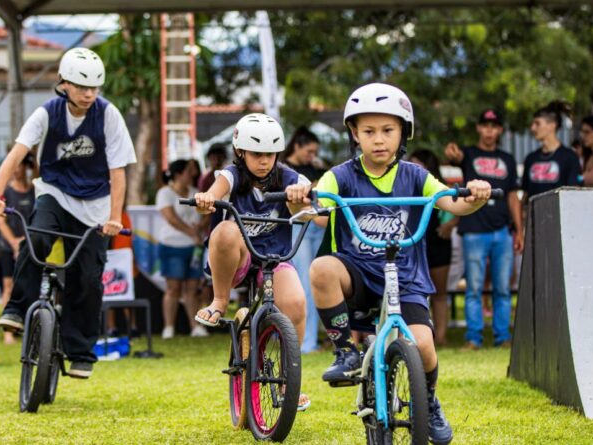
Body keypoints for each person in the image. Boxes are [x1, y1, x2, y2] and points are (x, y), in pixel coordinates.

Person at [286, 83, 493, 445]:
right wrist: (297, 200)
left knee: (424, 346)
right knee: (321, 269)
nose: (378, 140)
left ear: (403, 133)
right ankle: (346, 352)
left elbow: (453, 204)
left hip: (406, 279)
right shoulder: (341, 176)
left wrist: (475, 196)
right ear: (354, 133)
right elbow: (316, 215)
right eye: (368, 131)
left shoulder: (416, 176)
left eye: (388, 131)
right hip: (358, 275)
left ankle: (427, 402)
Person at [0, 47, 136, 379]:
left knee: (88, 279)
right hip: (55, 193)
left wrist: (114, 217)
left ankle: (81, 352)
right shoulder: (47, 113)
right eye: (82, 87)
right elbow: (16, 154)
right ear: (64, 83)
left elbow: (119, 172)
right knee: (36, 237)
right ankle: (16, 307)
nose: (88, 94)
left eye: (94, 87)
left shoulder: (108, 115)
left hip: (96, 206)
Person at [193, 113, 312, 410]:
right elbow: (215, 192)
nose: (264, 161)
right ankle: (220, 301)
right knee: (224, 230)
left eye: (270, 154)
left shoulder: (290, 178)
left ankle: (288, 382)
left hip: (273, 259)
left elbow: (307, 210)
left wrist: (299, 197)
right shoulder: (231, 175)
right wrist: (206, 199)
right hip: (238, 259)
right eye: (257, 154)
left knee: (296, 304)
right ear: (241, 152)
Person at [444, 109, 523, 350]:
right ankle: (473, 338)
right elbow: (454, 158)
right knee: (474, 288)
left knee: (503, 288)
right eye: (485, 125)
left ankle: (503, 337)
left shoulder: (507, 159)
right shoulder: (468, 154)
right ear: (479, 128)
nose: (489, 130)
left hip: (502, 231)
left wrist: (519, 229)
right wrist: (452, 154)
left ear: (499, 130)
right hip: (474, 229)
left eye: (494, 126)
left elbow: (512, 196)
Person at [282, 126, 326, 353]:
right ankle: (305, 342)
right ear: (297, 146)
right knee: (303, 284)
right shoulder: (284, 170)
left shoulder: (314, 168)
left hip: (318, 224)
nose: (312, 156)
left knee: (318, 281)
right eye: (309, 151)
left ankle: (311, 338)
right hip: (298, 225)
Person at [156, 159, 208, 339]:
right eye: (189, 171)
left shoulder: (195, 193)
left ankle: (195, 327)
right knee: (173, 288)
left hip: (194, 248)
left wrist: (200, 226)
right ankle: (168, 327)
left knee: (192, 288)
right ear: (178, 174)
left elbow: (206, 214)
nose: (193, 174)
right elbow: (169, 217)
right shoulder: (165, 193)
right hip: (172, 245)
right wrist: (191, 231)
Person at [409, 149, 456, 346]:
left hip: (437, 244)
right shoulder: (404, 188)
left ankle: (441, 337)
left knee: (439, 293)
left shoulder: (437, 188)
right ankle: (413, 338)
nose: (411, 168)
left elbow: (456, 208)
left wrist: (450, 224)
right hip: (411, 246)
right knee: (411, 292)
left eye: (417, 164)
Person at [0, 154, 36, 344]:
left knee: (32, 284)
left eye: (22, 165)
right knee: (8, 285)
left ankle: (31, 328)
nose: (18, 169)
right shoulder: (6, 192)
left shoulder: (33, 190)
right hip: (8, 246)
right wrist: (14, 243)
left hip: (30, 245)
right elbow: (1, 222)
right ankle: (8, 333)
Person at [522, 101, 581, 205]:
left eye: (537, 123)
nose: (533, 128)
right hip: (534, 218)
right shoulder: (531, 158)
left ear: (552, 125)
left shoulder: (570, 157)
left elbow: (574, 194)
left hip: (560, 217)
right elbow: (525, 194)